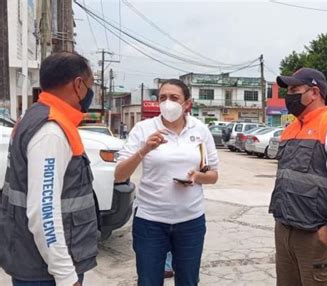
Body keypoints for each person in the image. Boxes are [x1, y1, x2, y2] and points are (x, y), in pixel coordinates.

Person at [0, 52, 98, 285]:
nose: (89, 93)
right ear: (77, 85)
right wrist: (65, 275)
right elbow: (43, 211)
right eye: (89, 85)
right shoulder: (51, 131)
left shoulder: (35, 115)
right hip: (44, 273)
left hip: (33, 262)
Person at [114, 79, 219, 286]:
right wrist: (144, 150)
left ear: (187, 103)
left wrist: (197, 177)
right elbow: (119, 175)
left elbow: (213, 175)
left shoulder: (200, 130)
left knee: (188, 281)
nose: (167, 102)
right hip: (150, 222)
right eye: (162, 98)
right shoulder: (143, 129)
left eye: (174, 98)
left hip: (191, 221)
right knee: (149, 281)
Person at [269, 68, 327, 286]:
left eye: (294, 89)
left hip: (314, 236)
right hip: (284, 229)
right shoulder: (290, 129)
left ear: (314, 93)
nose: (289, 96)